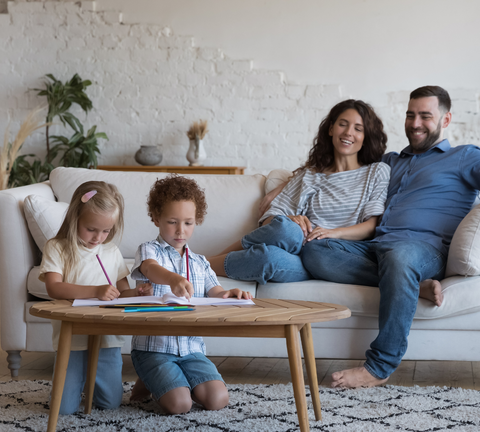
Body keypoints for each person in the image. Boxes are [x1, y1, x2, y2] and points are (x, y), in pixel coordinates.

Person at [295, 85, 480, 388]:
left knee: (400, 257)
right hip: (375, 246)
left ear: (446, 121)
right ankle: (407, 284)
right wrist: (283, 187)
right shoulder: (388, 161)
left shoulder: (464, 157)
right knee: (315, 250)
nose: (415, 123)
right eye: (410, 115)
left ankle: (379, 366)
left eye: (425, 116)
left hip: (423, 249)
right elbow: (333, 169)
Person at [207, 99, 391, 284]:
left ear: (366, 136)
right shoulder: (309, 175)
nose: (348, 132)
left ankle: (200, 263)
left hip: (336, 256)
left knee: (297, 252)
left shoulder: (376, 171)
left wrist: (333, 233)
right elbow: (271, 220)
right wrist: (290, 220)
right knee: (278, 244)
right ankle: (201, 265)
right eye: (342, 124)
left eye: (358, 129)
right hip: (299, 257)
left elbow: (371, 225)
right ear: (331, 129)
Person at [129, 175, 252, 414]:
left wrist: (231, 293)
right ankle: (156, 378)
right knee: (180, 405)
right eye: (172, 222)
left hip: (191, 350)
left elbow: (216, 292)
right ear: (156, 218)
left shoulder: (200, 262)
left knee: (218, 399)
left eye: (188, 223)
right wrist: (172, 279)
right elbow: (150, 269)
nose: (180, 231)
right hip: (154, 349)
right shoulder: (149, 250)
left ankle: (167, 380)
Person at [39, 181, 152, 414]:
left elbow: (121, 292)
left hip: (106, 338)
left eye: (106, 231)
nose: (98, 237)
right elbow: (54, 288)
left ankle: (88, 384)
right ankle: (73, 385)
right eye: (91, 229)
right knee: (62, 409)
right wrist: (95, 291)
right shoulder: (57, 247)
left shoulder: (111, 252)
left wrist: (136, 292)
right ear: (74, 218)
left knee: (110, 404)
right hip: (72, 337)